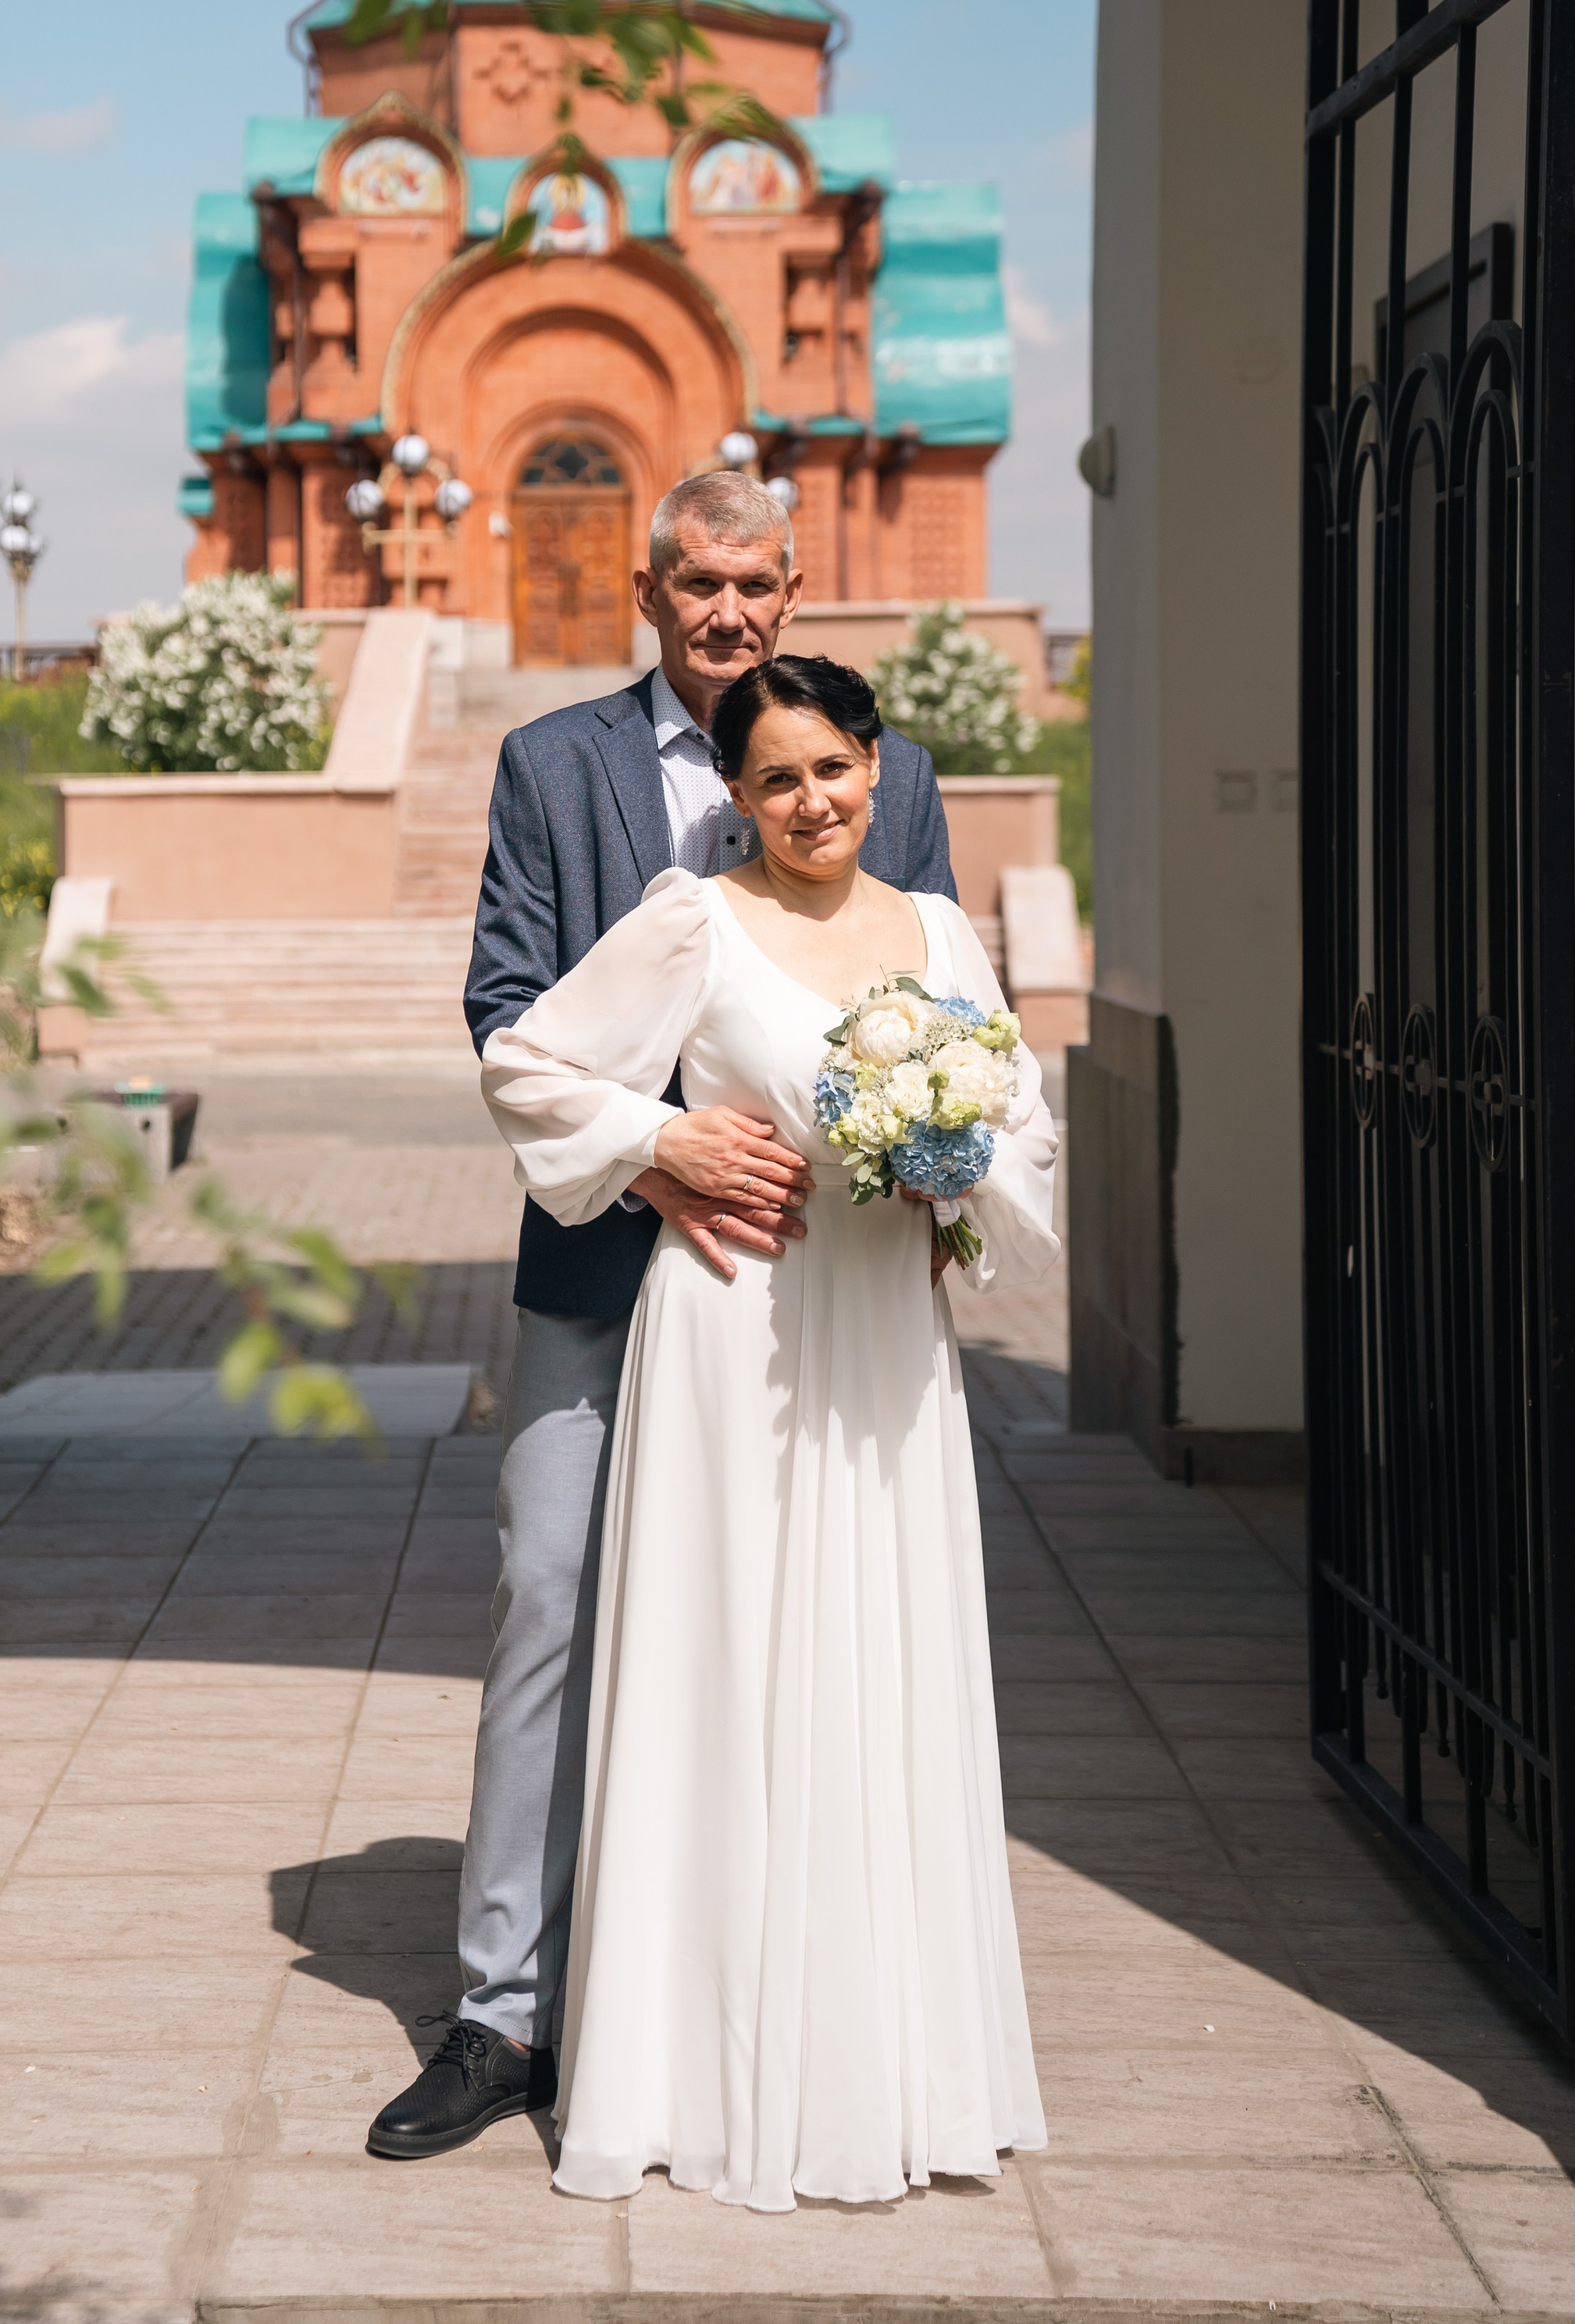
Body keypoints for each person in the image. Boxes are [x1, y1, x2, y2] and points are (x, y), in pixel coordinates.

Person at [365, 476, 956, 2161]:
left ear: (793, 590)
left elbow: (930, 1007)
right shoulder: (554, 767)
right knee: (550, 1594)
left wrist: (935, 1180)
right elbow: (506, 1006)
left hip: (813, 1290)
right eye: (697, 583)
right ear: (649, 594)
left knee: (787, 1624)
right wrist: (655, 1151)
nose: (726, 612)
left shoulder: (890, 770)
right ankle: (504, 2016)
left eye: (754, 583)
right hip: (608, 1265)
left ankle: (743, 1998)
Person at [483, 655, 1056, 2208]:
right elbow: (526, 1061)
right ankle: (695, 2068)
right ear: (733, 797)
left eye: (834, 768)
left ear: (877, 768)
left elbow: (1023, 1125)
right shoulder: (692, 919)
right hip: (735, 1326)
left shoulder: (939, 931)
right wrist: (657, 1140)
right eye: (777, 779)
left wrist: (956, 1165)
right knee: (731, 1665)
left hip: (886, 1341)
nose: (812, 801)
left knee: (882, 1662)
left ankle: (889, 2065)